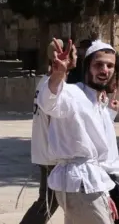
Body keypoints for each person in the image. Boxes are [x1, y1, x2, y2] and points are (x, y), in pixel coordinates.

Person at [36, 39, 119, 223]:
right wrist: (58, 75)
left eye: (110, 66)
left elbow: (99, 142)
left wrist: (105, 194)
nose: (104, 70)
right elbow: (48, 102)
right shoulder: (72, 93)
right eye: (98, 64)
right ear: (87, 66)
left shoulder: (98, 102)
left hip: (92, 184)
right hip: (80, 184)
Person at [19, 39, 76, 224]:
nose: (76, 56)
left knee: (49, 201)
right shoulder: (56, 86)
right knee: (47, 202)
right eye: (74, 53)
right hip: (52, 154)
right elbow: (56, 121)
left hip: (46, 152)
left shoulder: (45, 82)